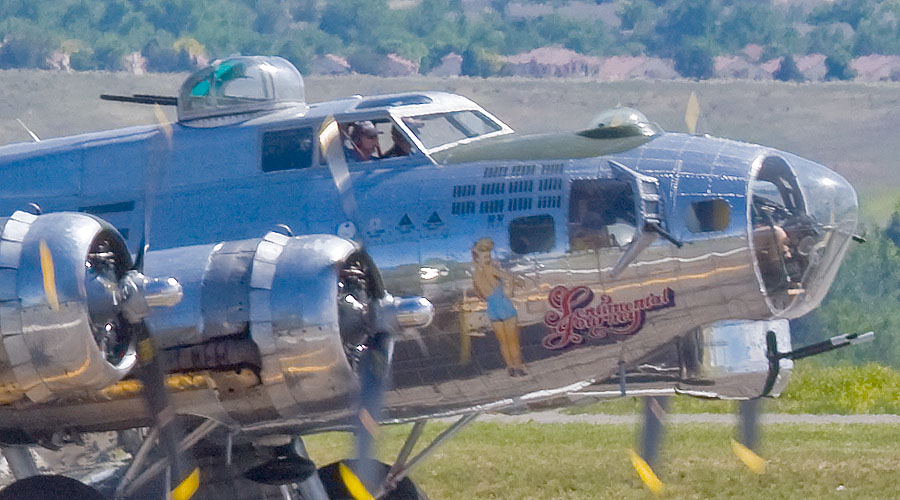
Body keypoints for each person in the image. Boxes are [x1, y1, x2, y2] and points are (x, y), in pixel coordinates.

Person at [471, 238, 528, 377]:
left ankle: (510, 367)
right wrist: (513, 288)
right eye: (485, 257)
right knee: (513, 340)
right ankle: (519, 367)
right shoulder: (490, 269)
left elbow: (479, 294)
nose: (488, 259)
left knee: (503, 342)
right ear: (478, 258)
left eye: (488, 256)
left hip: (492, 308)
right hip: (503, 304)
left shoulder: (475, 276)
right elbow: (508, 277)